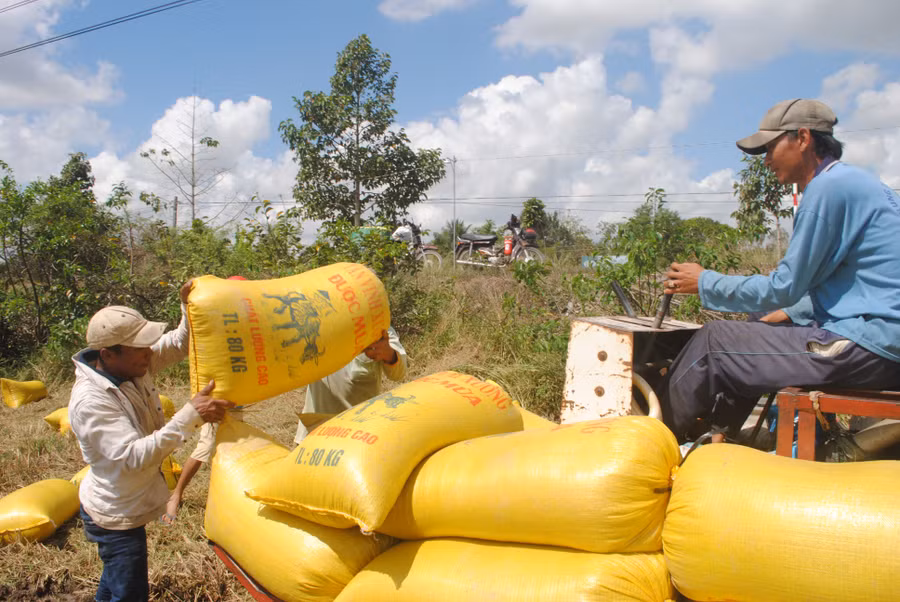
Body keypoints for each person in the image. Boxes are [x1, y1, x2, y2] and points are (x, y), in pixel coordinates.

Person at [660, 98, 900, 443]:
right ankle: (718, 438)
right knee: (762, 315)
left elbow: (787, 285)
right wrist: (789, 311)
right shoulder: (859, 184)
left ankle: (646, 439)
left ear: (802, 138)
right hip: (881, 335)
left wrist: (704, 282)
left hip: (872, 342)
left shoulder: (827, 190)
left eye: (771, 147)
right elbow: (852, 283)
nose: (767, 160)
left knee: (716, 342)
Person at [69, 282, 234, 602]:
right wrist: (190, 414)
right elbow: (133, 456)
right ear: (107, 354)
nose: (150, 350)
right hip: (114, 513)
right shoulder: (91, 401)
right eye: (141, 346)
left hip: (128, 498)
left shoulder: (130, 364)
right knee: (129, 593)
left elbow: (179, 343)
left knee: (116, 582)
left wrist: (188, 306)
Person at [294, 327, 407, 443]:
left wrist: (389, 353)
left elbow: (399, 373)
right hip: (313, 432)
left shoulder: (379, 327)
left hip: (355, 437)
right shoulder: (318, 323)